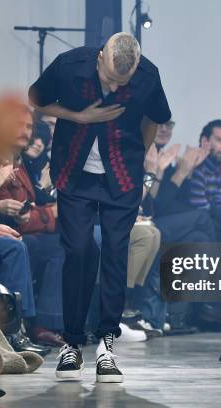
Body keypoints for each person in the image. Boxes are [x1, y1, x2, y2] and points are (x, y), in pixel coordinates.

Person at [29, 32, 170, 383]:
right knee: (77, 250)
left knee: (116, 253)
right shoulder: (69, 65)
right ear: (100, 57)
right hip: (74, 172)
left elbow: (156, 117)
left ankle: (107, 344)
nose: (113, 85)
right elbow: (36, 99)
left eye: (121, 81)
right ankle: (72, 343)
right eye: (109, 77)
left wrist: (137, 155)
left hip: (121, 176)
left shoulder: (147, 75)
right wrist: (78, 118)